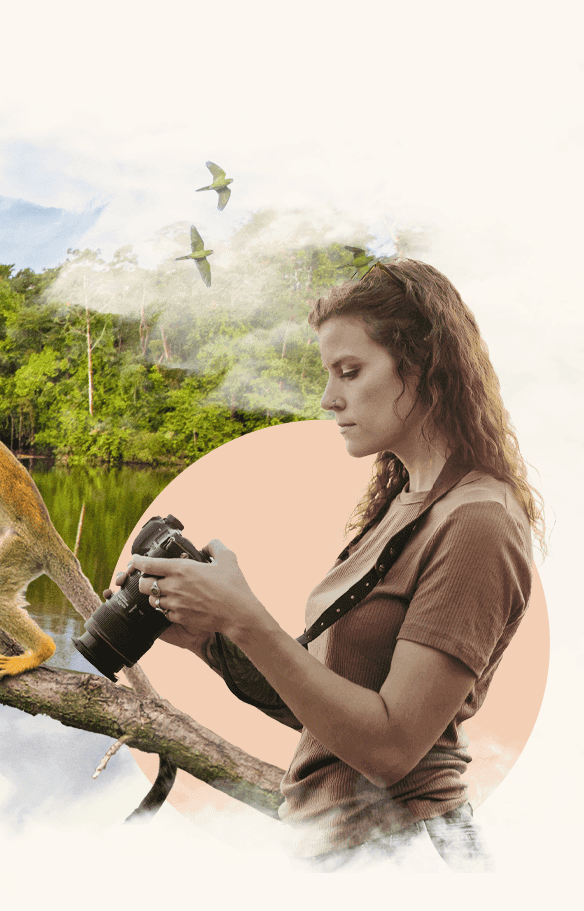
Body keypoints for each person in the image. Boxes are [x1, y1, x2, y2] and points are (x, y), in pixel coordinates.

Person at [120, 259, 542, 869]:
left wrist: (246, 619)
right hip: (338, 848)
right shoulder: (406, 501)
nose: (329, 398)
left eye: (351, 371)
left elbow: (391, 748)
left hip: (404, 855)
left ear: (423, 369)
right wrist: (211, 639)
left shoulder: (477, 521)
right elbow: (327, 713)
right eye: (328, 373)